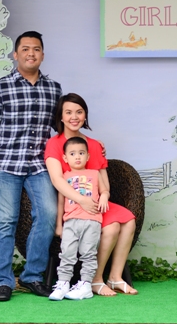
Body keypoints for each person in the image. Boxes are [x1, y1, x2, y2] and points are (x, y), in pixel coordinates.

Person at [0, 31, 62, 302]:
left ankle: (32, 276)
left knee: (48, 215)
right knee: (6, 222)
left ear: (42, 55)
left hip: (40, 165)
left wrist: (88, 144)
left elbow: (61, 129)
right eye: (25, 49)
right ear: (15, 54)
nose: (31, 53)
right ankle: (3, 282)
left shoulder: (54, 89)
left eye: (36, 49)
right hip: (6, 164)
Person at [45, 93, 139, 296]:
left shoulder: (94, 145)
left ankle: (115, 277)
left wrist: (103, 196)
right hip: (72, 204)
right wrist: (82, 200)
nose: (74, 117)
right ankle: (96, 280)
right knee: (112, 227)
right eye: (68, 112)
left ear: (85, 115)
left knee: (129, 220)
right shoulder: (54, 143)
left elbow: (102, 180)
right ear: (61, 117)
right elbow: (57, 180)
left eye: (79, 112)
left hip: (95, 202)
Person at [49, 136, 109, 301]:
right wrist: (59, 225)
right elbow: (61, 202)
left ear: (88, 156)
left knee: (88, 253)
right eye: (73, 153)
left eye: (81, 153)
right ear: (65, 158)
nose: (77, 157)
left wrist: (104, 197)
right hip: (70, 221)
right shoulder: (64, 177)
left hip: (91, 221)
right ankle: (63, 283)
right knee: (67, 253)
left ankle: (86, 285)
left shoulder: (94, 173)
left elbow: (104, 190)